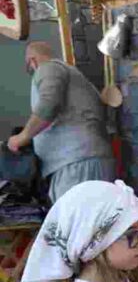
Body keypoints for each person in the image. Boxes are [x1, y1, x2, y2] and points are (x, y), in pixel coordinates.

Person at [6, 42, 115, 203]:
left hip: (76, 163)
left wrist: (22, 137)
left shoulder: (49, 68)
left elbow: (49, 103)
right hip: (84, 160)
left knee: (76, 223)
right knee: (92, 224)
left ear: (32, 61)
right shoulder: (72, 74)